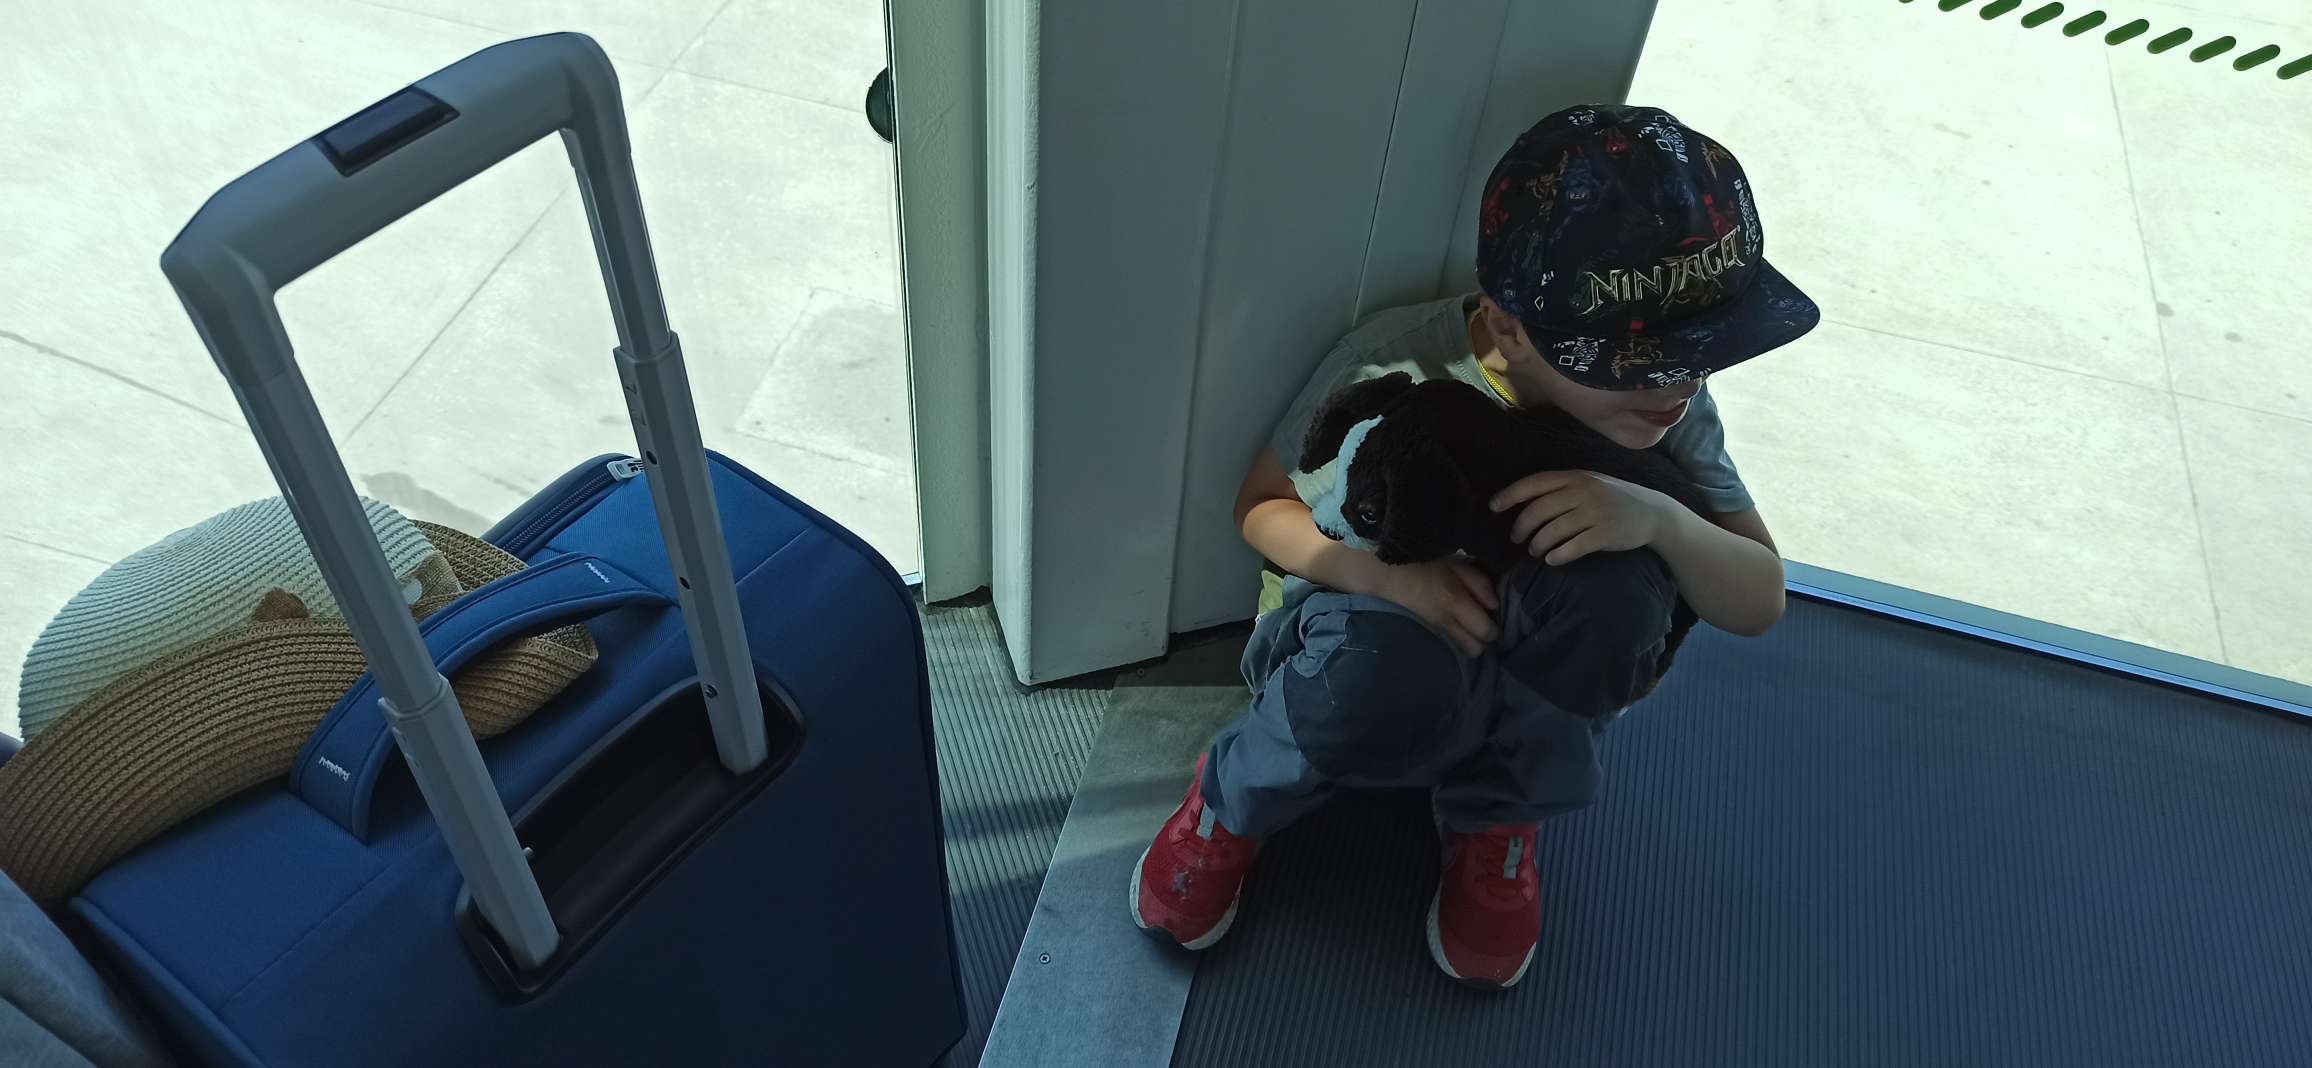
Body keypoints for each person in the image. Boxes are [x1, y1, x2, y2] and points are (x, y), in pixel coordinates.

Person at [1128, 104, 1820, 989]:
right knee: (1383, 669)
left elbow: (1759, 598)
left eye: (1702, 355)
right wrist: (1383, 578)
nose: (1681, 386)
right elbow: (1261, 506)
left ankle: (1497, 817)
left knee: (1615, 600)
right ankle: (1231, 802)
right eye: (1640, 363)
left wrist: (1658, 518)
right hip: (1368, 643)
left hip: (1530, 671)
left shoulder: (1664, 410)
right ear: (1509, 330)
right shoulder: (1399, 365)